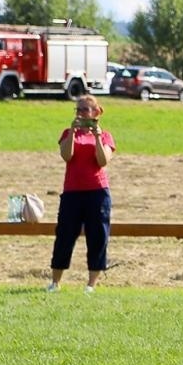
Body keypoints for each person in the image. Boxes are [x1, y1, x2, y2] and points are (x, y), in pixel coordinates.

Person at [49, 95, 116, 293]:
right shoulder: (68, 133)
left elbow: (102, 161)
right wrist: (72, 132)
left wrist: (97, 137)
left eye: (85, 109)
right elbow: (66, 156)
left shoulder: (105, 136)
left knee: (97, 237)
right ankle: (55, 282)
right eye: (78, 109)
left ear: (95, 112)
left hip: (97, 192)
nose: (80, 113)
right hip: (72, 192)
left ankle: (91, 284)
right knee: (64, 236)